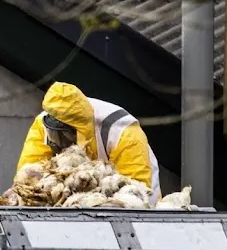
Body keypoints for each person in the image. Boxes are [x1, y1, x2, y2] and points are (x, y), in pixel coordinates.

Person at [16, 82, 162, 206]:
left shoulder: (123, 131)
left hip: (137, 194)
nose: (58, 142)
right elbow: (26, 178)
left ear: (80, 132)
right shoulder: (44, 123)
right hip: (75, 197)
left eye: (65, 135)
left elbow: (134, 192)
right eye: (54, 134)